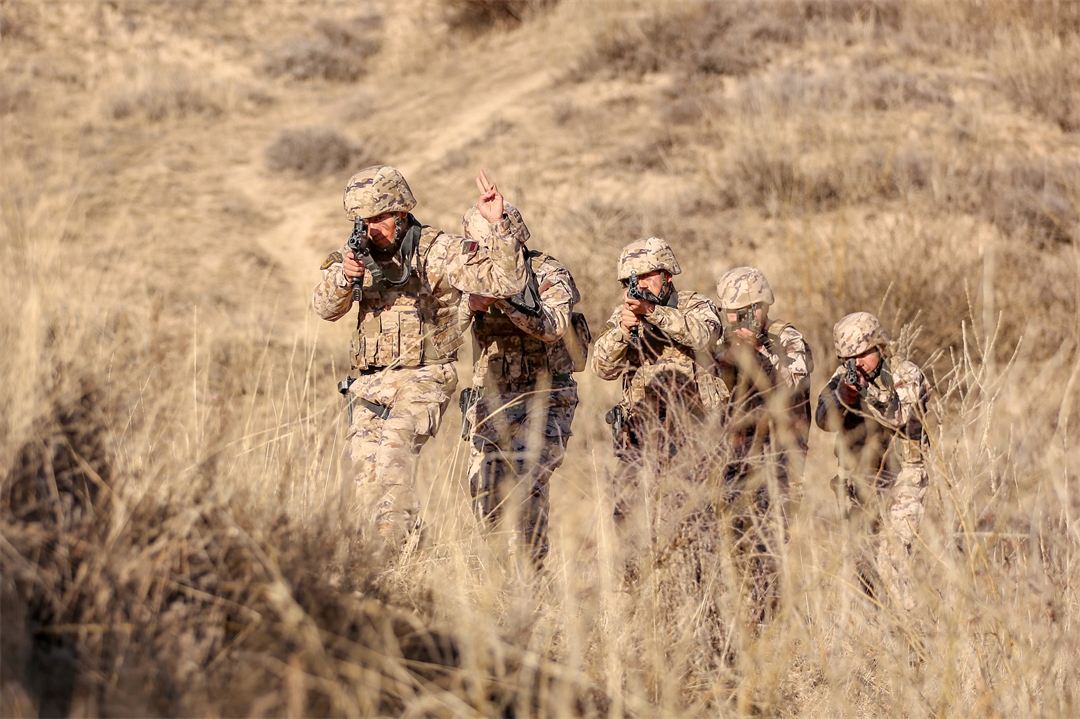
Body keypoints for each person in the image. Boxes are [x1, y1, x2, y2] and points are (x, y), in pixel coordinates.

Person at [312, 165, 526, 549]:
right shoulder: (355, 255)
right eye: (364, 221)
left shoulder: (438, 250)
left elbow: (507, 282)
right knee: (367, 483)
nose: (372, 228)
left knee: (394, 461)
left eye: (379, 218)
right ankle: (407, 557)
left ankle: (388, 556)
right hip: (369, 384)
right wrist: (346, 277)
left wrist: (499, 227)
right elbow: (324, 308)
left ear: (402, 213)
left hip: (424, 376)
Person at [458, 203, 589, 568]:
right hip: (493, 398)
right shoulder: (470, 277)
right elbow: (438, 341)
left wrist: (507, 300)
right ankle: (502, 582)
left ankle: (529, 581)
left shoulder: (548, 271)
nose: (481, 253)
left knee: (527, 486)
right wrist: (467, 307)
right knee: (484, 490)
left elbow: (552, 328)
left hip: (545, 397)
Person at [591, 237, 723, 521]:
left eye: (646, 276)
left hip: (695, 434)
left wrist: (654, 313)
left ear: (667, 275)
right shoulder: (623, 317)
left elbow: (704, 337)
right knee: (628, 519)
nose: (638, 284)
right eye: (630, 279)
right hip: (640, 436)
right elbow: (602, 368)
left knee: (694, 518)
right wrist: (623, 333)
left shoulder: (696, 305)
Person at [711, 266, 814, 624]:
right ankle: (745, 623)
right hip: (735, 460)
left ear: (761, 307)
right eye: (731, 313)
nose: (737, 320)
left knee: (768, 546)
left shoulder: (786, 339)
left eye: (745, 311)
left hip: (780, 459)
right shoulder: (723, 343)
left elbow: (790, 383)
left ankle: (770, 629)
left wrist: (755, 354)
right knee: (733, 545)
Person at [815, 311, 931, 610]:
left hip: (903, 479)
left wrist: (865, 394)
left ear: (880, 345)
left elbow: (899, 414)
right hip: (862, 483)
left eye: (863, 354)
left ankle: (912, 636)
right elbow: (823, 420)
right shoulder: (843, 380)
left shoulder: (906, 373)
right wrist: (845, 398)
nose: (858, 364)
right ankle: (879, 642)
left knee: (893, 560)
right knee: (863, 569)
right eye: (849, 358)